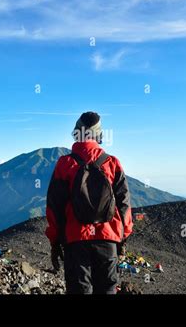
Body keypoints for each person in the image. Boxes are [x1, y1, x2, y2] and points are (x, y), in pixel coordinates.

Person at [45, 111, 133, 294]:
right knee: (107, 289)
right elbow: (124, 205)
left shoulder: (65, 164)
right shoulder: (112, 163)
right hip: (108, 240)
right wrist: (122, 238)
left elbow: (54, 208)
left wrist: (55, 240)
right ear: (99, 135)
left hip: (75, 240)